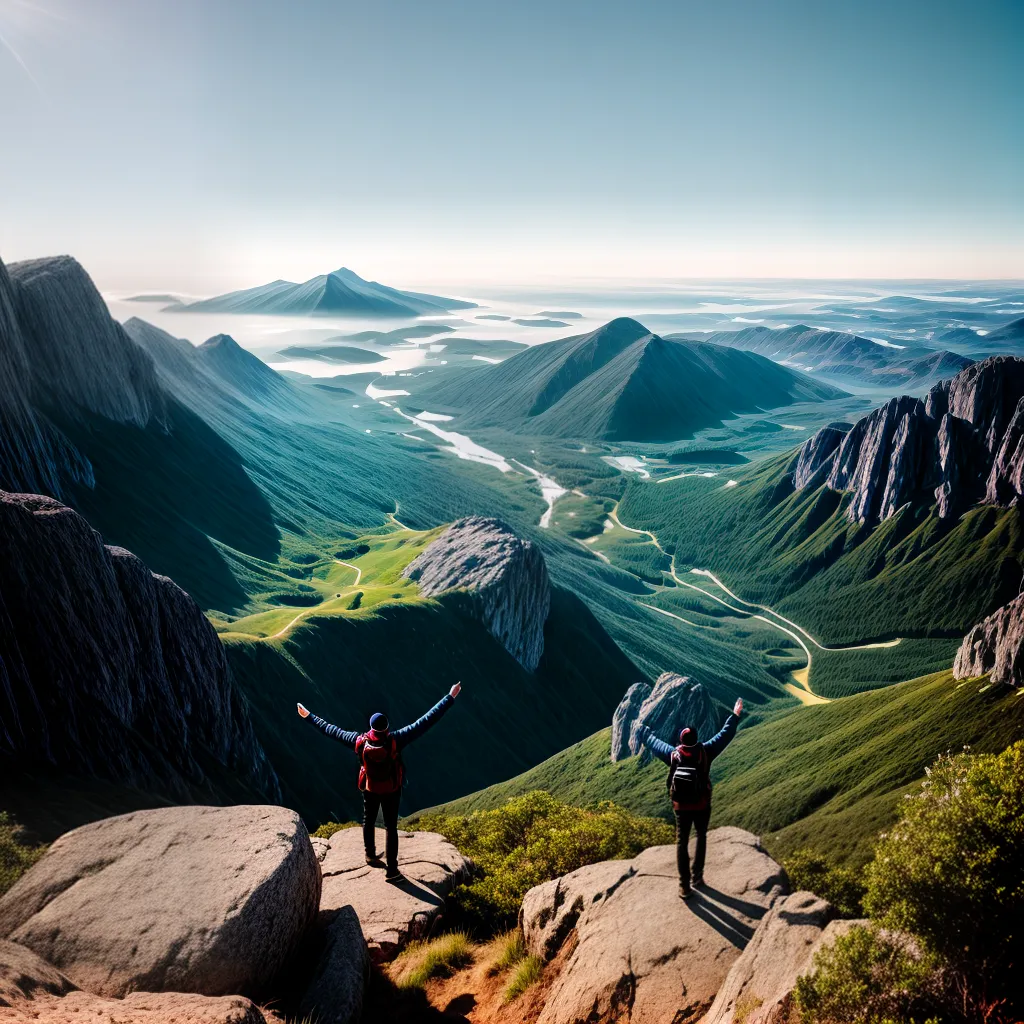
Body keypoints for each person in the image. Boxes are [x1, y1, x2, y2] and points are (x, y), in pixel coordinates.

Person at [296, 682, 462, 882]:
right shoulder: (396, 740)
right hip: (392, 788)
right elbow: (426, 721)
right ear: (387, 728)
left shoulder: (358, 741)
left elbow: (331, 730)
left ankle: (370, 854)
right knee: (391, 827)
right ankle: (392, 871)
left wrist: (309, 717)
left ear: (371, 728)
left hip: (370, 786)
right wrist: (450, 697)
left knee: (369, 819)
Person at [638, 697, 743, 899]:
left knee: (682, 842)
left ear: (680, 741)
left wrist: (643, 732)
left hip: (681, 806)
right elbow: (725, 734)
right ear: (696, 739)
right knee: (701, 836)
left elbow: (654, 743)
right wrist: (735, 714)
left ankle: (684, 886)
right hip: (702, 803)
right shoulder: (706, 751)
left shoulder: (673, 754)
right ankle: (697, 878)